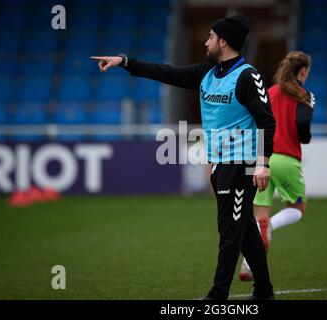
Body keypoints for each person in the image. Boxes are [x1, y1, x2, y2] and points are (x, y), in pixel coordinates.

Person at [91, 14, 276, 300]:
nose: (206, 42)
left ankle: (217, 296)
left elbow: (267, 120)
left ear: (224, 42)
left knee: (229, 232)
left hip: (242, 165)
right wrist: (125, 62)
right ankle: (264, 291)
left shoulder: (247, 76)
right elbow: (168, 72)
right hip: (219, 166)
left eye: (211, 37)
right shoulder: (208, 73)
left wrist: (263, 163)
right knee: (244, 231)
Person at [238, 51, 314, 281]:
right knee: (297, 209)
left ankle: (246, 268)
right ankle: (269, 225)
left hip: (261, 160)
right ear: (302, 72)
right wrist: (305, 136)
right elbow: (302, 122)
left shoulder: (268, 93)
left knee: (257, 217)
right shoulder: (305, 95)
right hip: (286, 159)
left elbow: (255, 123)